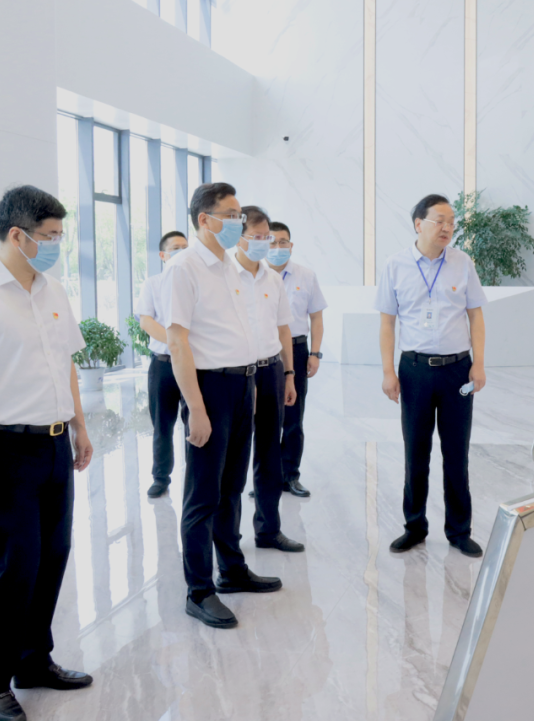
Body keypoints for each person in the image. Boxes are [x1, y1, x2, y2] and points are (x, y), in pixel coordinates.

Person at [0, 185, 95, 721]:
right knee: (16, 566)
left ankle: (33, 660)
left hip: (54, 444)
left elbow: (66, 363)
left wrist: (79, 426)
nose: (56, 245)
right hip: (6, 449)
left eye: (59, 236)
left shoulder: (52, 290)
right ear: (17, 235)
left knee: (53, 555)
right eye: (49, 236)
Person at [162, 183, 282, 630]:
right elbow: (177, 341)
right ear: (204, 219)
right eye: (230, 215)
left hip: (242, 384)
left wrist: (251, 384)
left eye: (238, 215)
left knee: (232, 486)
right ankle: (198, 589)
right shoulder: (184, 268)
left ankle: (231, 569)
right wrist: (195, 407)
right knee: (203, 495)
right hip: (209, 388)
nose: (238, 222)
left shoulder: (230, 265)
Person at [375, 194, 487, 558]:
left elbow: (476, 316)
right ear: (418, 223)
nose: (447, 227)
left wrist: (479, 363)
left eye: (451, 222)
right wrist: (388, 371)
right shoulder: (395, 265)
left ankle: (459, 530)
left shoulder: (462, 263)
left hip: (458, 370)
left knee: (456, 453)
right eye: (440, 220)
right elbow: (387, 324)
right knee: (416, 452)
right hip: (414, 370)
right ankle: (414, 526)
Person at [231, 207, 303, 553]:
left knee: (269, 452)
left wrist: (289, 375)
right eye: (257, 237)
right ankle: (228, 541)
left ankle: (269, 529)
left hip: (271, 369)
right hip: (237, 373)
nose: (264, 243)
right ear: (238, 237)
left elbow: (283, 328)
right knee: (234, 458)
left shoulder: (273, 280)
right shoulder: (224, 275)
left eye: (267, 237)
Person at [266, 220, 327, 497]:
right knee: (266, 419)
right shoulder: (255, 275)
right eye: (272, 242)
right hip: (264, 352)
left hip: (298, 349)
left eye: (283, 242)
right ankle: (267, 478)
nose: (278, 247)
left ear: (291, 245)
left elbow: (316, 318)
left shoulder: (306, 276)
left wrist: (315, 353)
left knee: (293, 417)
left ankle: (290, 475)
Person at [137, 230, 190, 498]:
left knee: (194, 422)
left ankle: (195, 474)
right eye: (176, 248)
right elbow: (146, 321)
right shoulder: (153, 284)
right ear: (162, 255)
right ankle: (160, 477)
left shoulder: (196, 283)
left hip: (193, 364)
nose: (182, 252)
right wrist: (175, 343)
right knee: (162, 424)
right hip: (164, 364)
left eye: (185, 247)